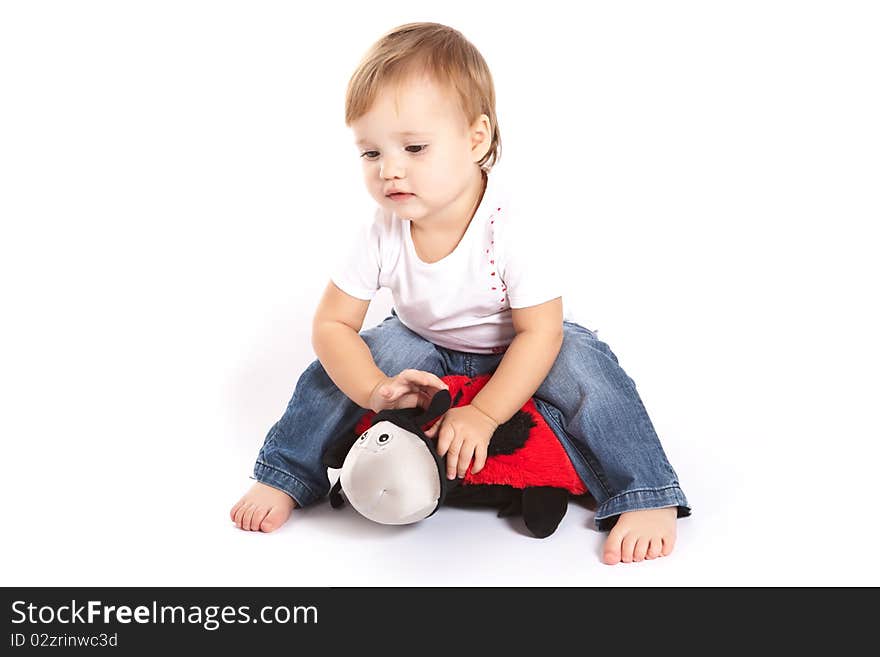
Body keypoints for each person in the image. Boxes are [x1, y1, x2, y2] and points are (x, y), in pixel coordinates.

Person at [230, 22, 691, 565]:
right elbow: (332, 326)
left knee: (584, 364)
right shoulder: (383, 228)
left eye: (414, 147)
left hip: (514, 345)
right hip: (423, 340)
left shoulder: (509, 229)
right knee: (346, 365)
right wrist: (373, 387)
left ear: (476, 138)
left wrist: (487, 413)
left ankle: (645, 491)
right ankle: (288, 472)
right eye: (370, 153)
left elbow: (538, 331)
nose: (390, 170)